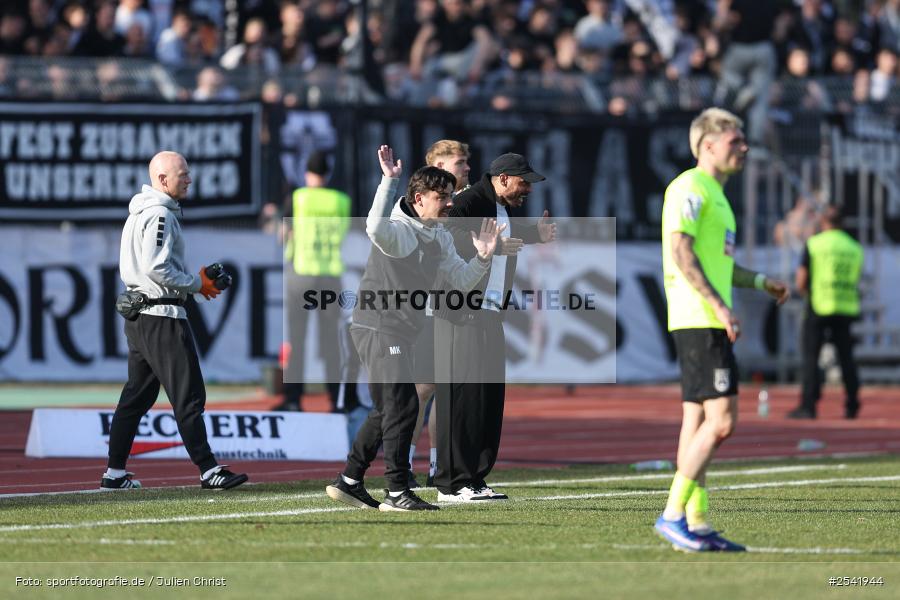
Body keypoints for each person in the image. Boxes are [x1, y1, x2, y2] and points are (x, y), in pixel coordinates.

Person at [325, 145, 503, 511]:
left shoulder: (437, 236)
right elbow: (374, 226)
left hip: (399, 329)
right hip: (377, 325)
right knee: (404, 405)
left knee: (386, 409)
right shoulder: (398, 229)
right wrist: (388, 181)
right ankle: (395, 491)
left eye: (452, 196)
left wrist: (484, 258)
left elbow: (462, 281)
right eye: (442, 197)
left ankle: (349, 479)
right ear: (419, 199)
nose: (450, 203)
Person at [655, 108, 789, 551]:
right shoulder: (690, 187)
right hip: (700, 319)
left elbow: (720, 265)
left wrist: (759, 283)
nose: (745, 147)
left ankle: (696, 520)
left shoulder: (717, 195)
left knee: (696, 421)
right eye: (736, 141)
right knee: (723, 421)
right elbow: (680, 249)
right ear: (707, 145)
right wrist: (717, 305)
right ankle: (672, 515)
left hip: (703, 318)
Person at [102, 151, 248, 491]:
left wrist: (194, 285)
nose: (189, 179)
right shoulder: (160, 215)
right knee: (189, 395)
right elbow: (156, 267)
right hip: (161, 317)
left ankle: (114, 474)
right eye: (182, 174)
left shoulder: (140, 212)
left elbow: (150, 270)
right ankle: (209, 469)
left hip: (142, 315)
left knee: (136, 398)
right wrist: (196, 283)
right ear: (162, 180)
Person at [432, 152, 555, 503]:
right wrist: (492, 247)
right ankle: (451, 483)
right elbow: (447, 232)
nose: (528, 188)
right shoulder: (469, 200)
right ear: (502, 178)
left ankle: (475, 477)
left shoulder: (502, 207)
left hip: (489, 312)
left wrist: (535, 234)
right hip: (459, 311)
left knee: (486, 400)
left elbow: (508, 235)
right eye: (523, 181)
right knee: (461, 399)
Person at [407, 138, 473, 488]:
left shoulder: (463, 202)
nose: (466, 168)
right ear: (438, 166)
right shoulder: (431, 206)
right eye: (459, 162)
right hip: (430, 307)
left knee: (441, 390)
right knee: (422, 388)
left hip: (456, 306)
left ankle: (437, 465)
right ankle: (404, 462)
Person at [276, 150, 350, 413]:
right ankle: (337, 400)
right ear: (327, 173)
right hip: (330, 275)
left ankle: (294, 399)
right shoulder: (341, 200)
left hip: (302, 274)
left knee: (297, 338)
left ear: (307, 173)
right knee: (332, 342)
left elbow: (283, 235)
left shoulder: (298, 198)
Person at [788, 205, 863, 420]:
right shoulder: (854, 247)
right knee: (847, 358)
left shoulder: (815, 244)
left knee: (811, 358)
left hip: (818, 305)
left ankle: (808, 405)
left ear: (823, 222)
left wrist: (805, 293)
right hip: (846, 307)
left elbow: (801, 279)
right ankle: (852, 404)